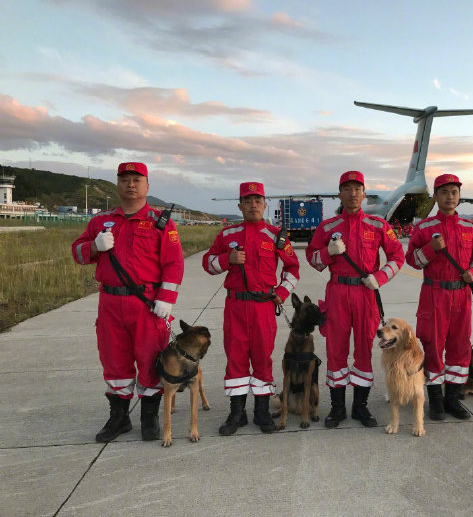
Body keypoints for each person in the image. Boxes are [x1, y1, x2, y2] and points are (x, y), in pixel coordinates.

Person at [71, 162, 184, 442]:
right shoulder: (100, 222)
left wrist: (166, 299)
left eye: (136, 179)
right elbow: (77, 253)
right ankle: (119, 418)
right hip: (110, 303)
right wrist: (95, 246)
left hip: (145, 304)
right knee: (114, 362)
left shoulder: (162, 222)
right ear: (118, 185)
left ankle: (149, 418)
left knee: (149, 361)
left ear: (147, 186)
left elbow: (173, 263)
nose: (130, 184)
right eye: (124, 179)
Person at [306, 171, 404, 428]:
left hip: (365, 294)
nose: (352, 193)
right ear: (340, 194)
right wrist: (327, 252)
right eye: (347, 189)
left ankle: (360, 407)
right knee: (336, 350)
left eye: (357, 188)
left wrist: (380, 277)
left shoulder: (378, 225)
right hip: (337, 293)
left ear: (364, 193)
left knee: (363, 349)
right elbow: (313, 259)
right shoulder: (327, 227)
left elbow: (397, 257)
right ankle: (337, 408)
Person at [202, 182, 299, 434]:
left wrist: (282, 291)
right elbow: (208, 263)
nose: (253, 204)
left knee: (262, 358)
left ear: (265, 204)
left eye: (257, 200)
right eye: (247, 200)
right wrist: (227, 259)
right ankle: (237, 414)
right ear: (240, 206)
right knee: (235, 358)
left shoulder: (276, 235)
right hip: (235, 305)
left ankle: (261, 411)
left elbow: (293, 267)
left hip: (263, 307)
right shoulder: (227, 235)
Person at [405, 173, 473, 420]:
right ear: (436, 197)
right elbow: (413, 261)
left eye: (454, 192)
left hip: (460, 296)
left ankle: (453, 398)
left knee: (459, 347)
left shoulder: (470, 228)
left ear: (459, 196)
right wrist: (431, 249)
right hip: (434, 294)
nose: (450, 197)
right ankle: (436, 401)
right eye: (444, 192)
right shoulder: (424, 228)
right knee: (433, 345)